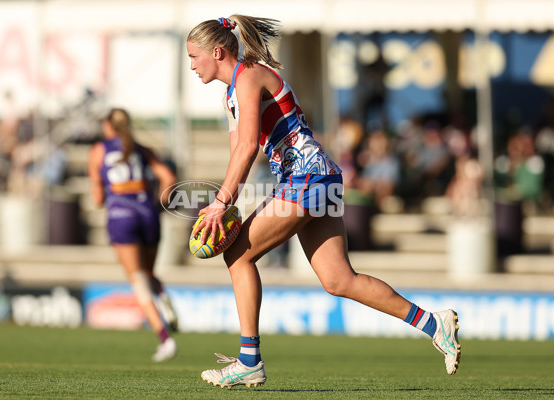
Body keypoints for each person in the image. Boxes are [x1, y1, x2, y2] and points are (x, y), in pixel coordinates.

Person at [187, 15, 461, 388]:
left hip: (307, 178)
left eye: (194, 56)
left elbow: (250, 145)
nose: (192, 65)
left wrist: (222, 202)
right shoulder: (231, 94)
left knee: (238, 255)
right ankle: (434, 322)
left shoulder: (249, 76)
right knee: (338, 280)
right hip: (316, 178)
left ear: (216, 52)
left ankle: (250, 360)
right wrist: (225, 202)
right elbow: (239, 149)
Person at [88, 108, 179, 362]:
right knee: (149, 275)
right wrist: (159, 204)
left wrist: (108, 194)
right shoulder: (141, 148)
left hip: (121, 216)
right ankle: (163, 297)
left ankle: (165, 340)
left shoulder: (99, 150)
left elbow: (97, 198)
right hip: (148, 212)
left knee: (138, 282)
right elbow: (168, 176)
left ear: (108, 126)